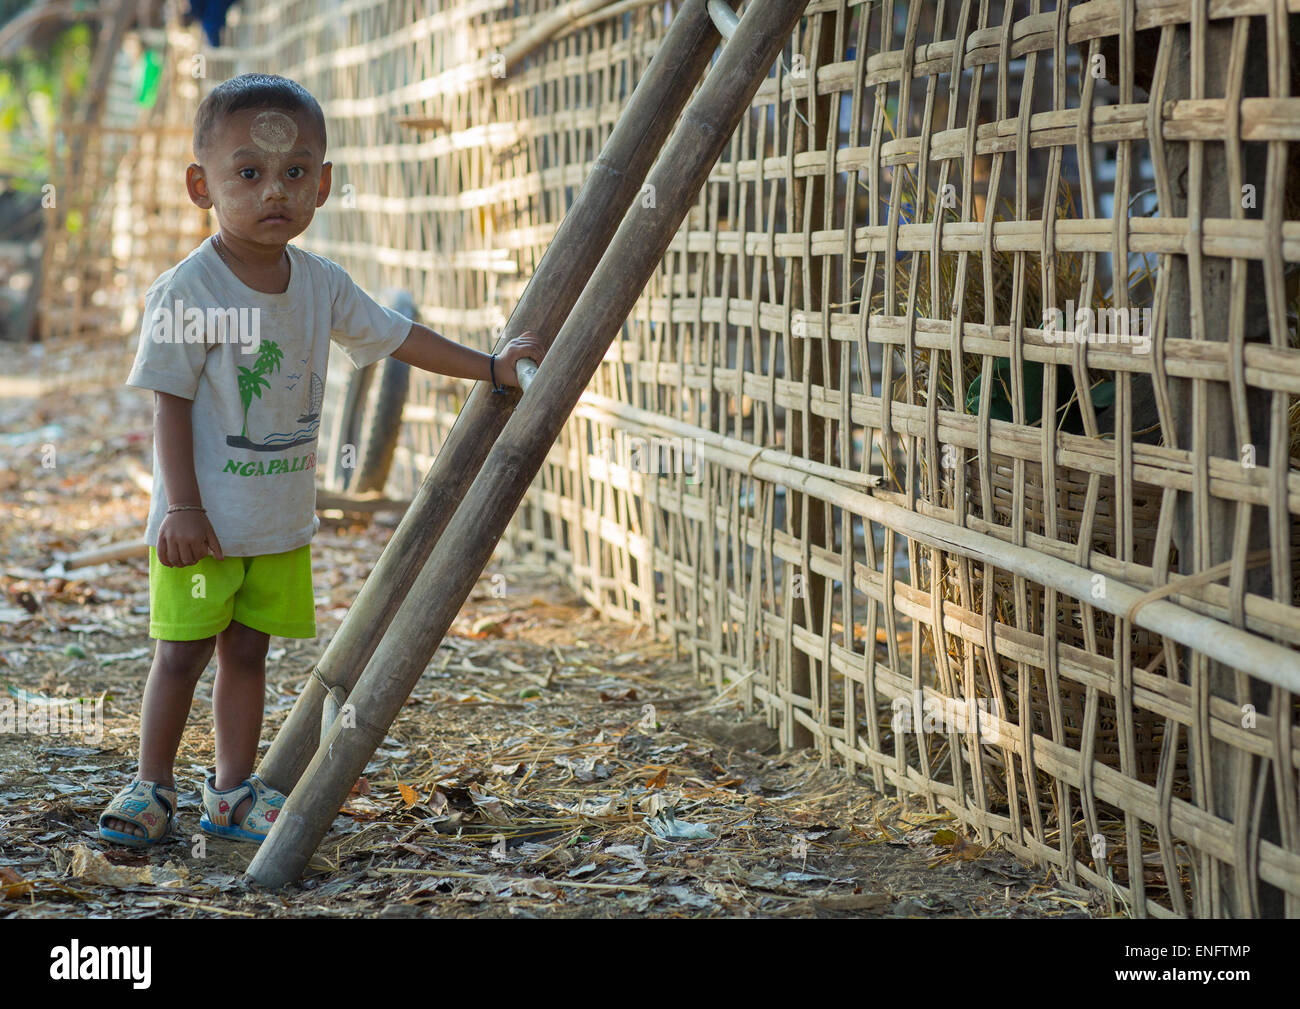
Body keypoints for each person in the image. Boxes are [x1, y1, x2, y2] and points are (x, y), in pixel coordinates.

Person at [100, 73, 543, 846]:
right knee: (180, 654)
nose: (276, 190)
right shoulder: (188, 291)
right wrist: (181, 507)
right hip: (199, 524)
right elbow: (168, 403)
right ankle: (151, 786)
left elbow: (396, 336)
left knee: (247, 650)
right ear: (201, 186)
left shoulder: (321, 285)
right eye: (249, 173)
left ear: (324, 184)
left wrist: (492, 368)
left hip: (276, 522)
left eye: (295, 172)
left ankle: (233, 792)